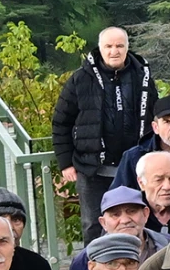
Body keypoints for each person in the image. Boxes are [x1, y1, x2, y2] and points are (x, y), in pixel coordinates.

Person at [51, 24, 155, 230]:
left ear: (127, 47)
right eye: (108, 46)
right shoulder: (80, 79)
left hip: (135, 167)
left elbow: (154, 119)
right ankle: (95, 263)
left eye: (119, 46)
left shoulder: (142, 77)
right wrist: (65, 163)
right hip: (92, 169)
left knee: (139, 222)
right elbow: (61, 122)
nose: (114, 51)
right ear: (100, 48)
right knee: (93, 224)